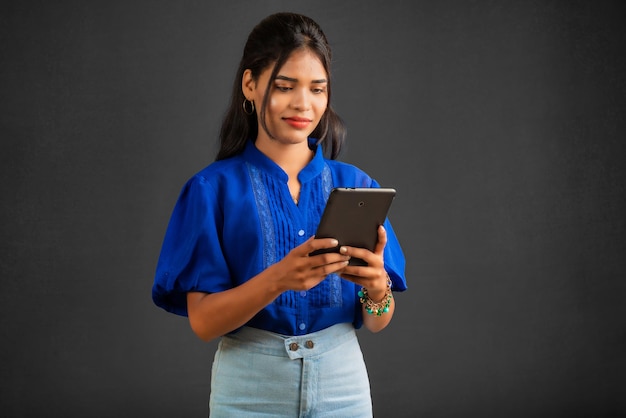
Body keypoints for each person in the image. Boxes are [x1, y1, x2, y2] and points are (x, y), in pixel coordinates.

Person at [152, 12, 407, 417]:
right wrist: (278, 279)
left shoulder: (358, 185)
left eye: (317, 89)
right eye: (285, 86)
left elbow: (377, 321)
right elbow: (203, 324)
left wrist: (377, 289)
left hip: (343, 383)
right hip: (249, 387)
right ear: (250, 85)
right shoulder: (211, 189)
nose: (303, 104)